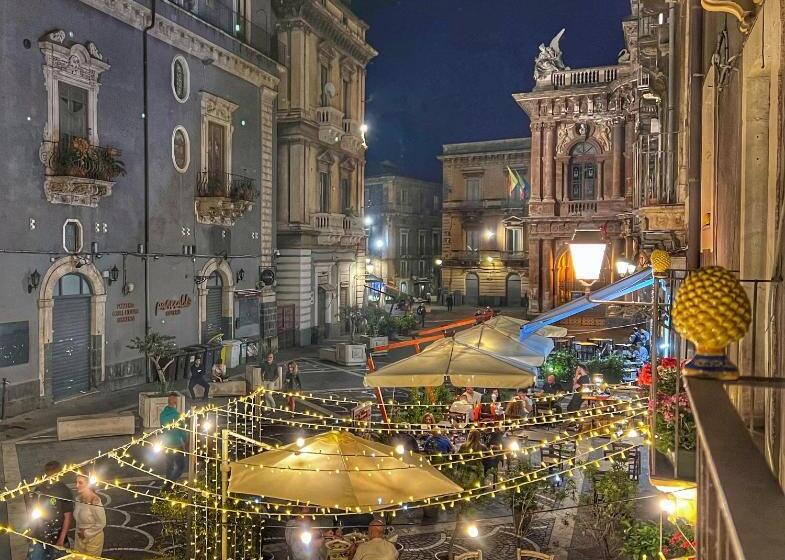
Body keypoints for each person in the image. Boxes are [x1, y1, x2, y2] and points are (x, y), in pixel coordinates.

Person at [27, 461, 73, 560]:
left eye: (53, 472)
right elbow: (34, 512)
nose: (50, 475)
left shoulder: (64, 491)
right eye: (48, 472)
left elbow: (68, 517)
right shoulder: (39, 489)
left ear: (59, 473)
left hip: (57, 539)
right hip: (39, 538)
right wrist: (32, 529)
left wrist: (61, 540)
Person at [73, 475, 106, 556]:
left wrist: (86, 533)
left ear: (88, 484)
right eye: (76, 482)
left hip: (93, 539)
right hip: (79, 538)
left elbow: (102, 523)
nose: (77, 485)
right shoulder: (78, 499)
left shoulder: (95, 502)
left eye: (80, 483)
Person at [160, 393, 187, 490]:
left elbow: (162, 428)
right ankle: (169, 485)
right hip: (177, 443)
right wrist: (186, 442)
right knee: (181, 466)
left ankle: (169, 485)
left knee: (170, 466)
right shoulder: (177, 415)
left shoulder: (162, 414)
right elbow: (183, 431)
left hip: (166, 443)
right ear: (175, 402)